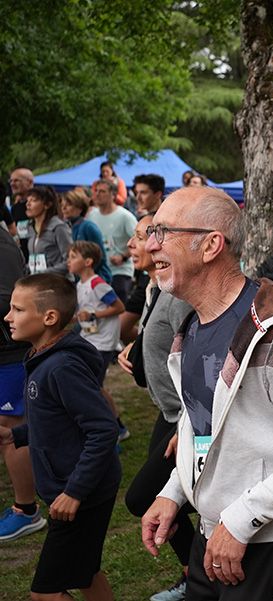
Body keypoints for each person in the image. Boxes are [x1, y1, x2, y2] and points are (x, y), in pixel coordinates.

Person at [140, 187, 273, 600]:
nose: (150, 245)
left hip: (269, 535)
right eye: (151, 231)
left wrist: (240, 520)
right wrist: (173, 492)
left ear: (211, 245)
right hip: (214, 528)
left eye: (162, 232)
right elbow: (202, 423)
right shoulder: (194, 327)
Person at [1, 273, 121, 601]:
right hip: (75, 488)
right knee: (86, 573)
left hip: (79, 495)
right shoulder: (42, 360)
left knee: (45, 593)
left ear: (49, 318)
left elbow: (103, 428)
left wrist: (74, 492)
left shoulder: (61, 367)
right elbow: (59, 423)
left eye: (17, 309)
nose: (7, 317)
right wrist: (16, 435)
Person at [119, 213, 195, 601]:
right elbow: (164, 345)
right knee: (160, 497)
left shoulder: (176, 296)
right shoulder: (152, 290)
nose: (133, 245)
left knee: (143, 498)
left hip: (184, 417)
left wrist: (190, 422)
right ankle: (196, 578)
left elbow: (199, 358)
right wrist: (136, 350)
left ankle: (203, 577)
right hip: (166, 414)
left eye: (140, 236)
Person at [0, 227, 46, 542]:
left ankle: (26, 510)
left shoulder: (1, 243)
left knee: (10, 429)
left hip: (10, 352)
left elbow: (10, 299)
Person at [87, 179, 138, 301]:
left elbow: (140, 241)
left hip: (120, 271)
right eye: (96, 191)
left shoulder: (125, 216)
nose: (97, 194)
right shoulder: (91, 215)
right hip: (98, 270)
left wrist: (123, 256)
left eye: (102, 191)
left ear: (113, 195)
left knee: (117, 308)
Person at [60, 188, 112, 284]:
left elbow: (100, 257)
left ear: (80, 208)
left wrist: (86, 276)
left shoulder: (88, 227)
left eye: (69, 204)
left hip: (95, 280)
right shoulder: (65, 227)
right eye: (62, 205)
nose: (64, 208)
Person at [25, 186, 72, 275]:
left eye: (33, 200)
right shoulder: (30, 227)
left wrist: (44, 273)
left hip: (58, 283)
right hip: (37, 282)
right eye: (28, 200)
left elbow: (70, 261)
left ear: (47, 205)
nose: (28, 204)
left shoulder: (59, 227)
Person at [8, 168, 34, 256]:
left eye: (16, 181)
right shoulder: (15, 208)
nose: (12, 184)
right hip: (21, 257)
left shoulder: (41, 204)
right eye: (11, 181)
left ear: (30, 182)